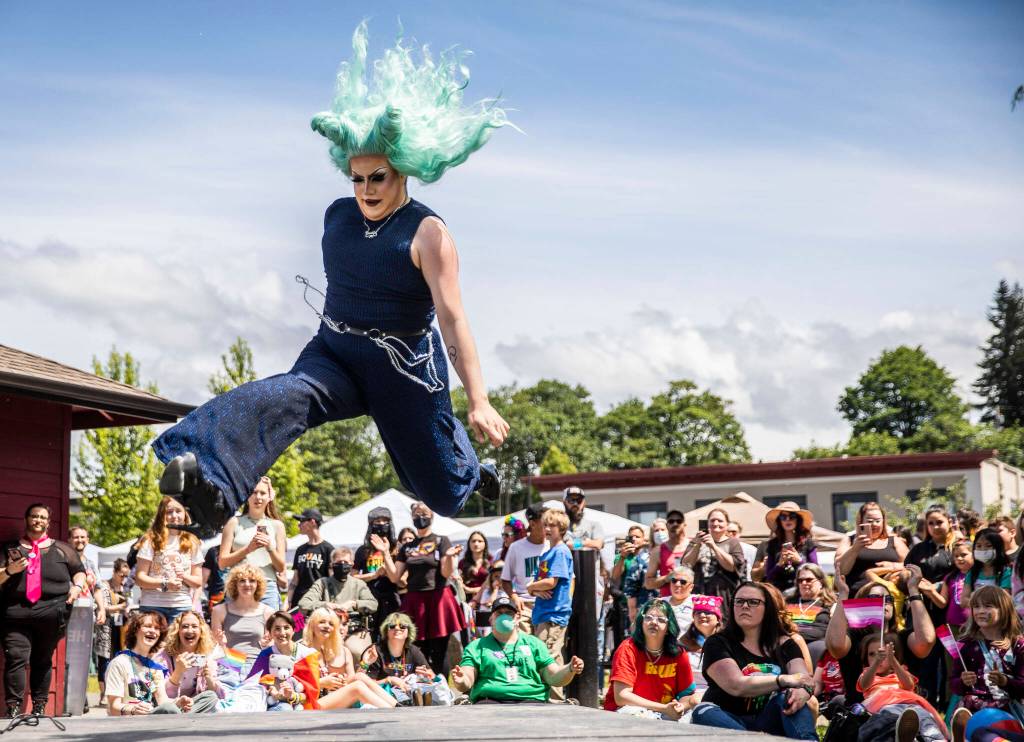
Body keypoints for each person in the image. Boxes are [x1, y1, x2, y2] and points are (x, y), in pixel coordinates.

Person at [152, 22, 510, 537]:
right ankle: (205, 479)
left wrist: (478, 399)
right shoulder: (336, 217)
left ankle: (473, 471)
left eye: (378, 177)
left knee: (436, 490)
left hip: (404, 366)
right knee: (283, 397)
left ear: (403, 169)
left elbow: (452, 320)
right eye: (357, 177)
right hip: (336, 352)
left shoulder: (429, 234)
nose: (365, 188)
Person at [690, 581, 817, 739]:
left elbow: (803, 678)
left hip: (768, 720)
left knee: (789, 699)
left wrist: (803, 691)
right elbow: (736, 685)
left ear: (767, 608)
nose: (745, 606)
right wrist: (784, 680)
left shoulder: (785, 644)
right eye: (739, 601)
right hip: (726, 720)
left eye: (753, 602)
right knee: (703, 712)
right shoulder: (717, 642)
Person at [0, 503, 87, 717]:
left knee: (42, 658)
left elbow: (79, 572)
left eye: (42, 517)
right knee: (16, 658)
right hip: (15, 614)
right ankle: (13, 708)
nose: (38, 520)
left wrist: (77, 587)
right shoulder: (10, 548)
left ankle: (39, 706)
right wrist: (9, 570)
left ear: (48, 522)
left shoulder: (63, 548)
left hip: (52, 613)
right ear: (26, 519)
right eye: (34, 516)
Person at [374, 502, 465, 674]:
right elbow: (395, 576)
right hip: (415, 600)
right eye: (415, 514)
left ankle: (442, 691)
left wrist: (451, 557)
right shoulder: (407, 546)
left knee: (440, 651)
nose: (419, 517)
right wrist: (385, 553)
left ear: (432, 516)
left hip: (438, 599)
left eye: (423, 513)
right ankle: (421, 690)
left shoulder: (441, 541)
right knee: (417, 649)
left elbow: (445, 573)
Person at [825, 565, 936, 705]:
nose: (884, 602)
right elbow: (835, 645)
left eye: (888, 599)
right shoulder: (853, 638)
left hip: (904, 707)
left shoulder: (902, 637)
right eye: (875, 597)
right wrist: (842, 595)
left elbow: (926, 641)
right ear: (863, 603)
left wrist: (913, 590)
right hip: (862, 712)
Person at [452, 596, 584, 704]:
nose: (504, 617)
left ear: (517, 618)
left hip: (532, 700)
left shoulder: (534, 643)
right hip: (490, 701)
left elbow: (553, 677)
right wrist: (462, 680)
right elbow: (467, 678)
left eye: (509, 613)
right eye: (499, 613)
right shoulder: (476, 646)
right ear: (491, 619)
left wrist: (569, 669)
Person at [105, 610, 217, 716]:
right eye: (148, 626)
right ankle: (183, 720)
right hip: (130, 721)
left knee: (210, 697)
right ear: (135, 630)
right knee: (169, 709)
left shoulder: (155, 667)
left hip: (153, 718)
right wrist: (133, 709)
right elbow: (113, 707)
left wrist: (178, 702)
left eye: (157, 628)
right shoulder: (120, 662)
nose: (152, 631)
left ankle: (181, 719)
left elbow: (162, 701)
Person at [604, 598, 696, 719]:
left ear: (669, 627)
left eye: (661, 619)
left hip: (665, 712)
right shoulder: (628, 648)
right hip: (627, 712)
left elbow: (686, 694)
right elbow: (622, 697)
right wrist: (663, 708)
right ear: (641, 622)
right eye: (648, 618)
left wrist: (680, 707)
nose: (653, 622)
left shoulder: (678, 653)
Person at [906, 505, 959, 710]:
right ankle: (925, 705)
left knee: (950, 661)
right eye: (931, 523)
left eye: (939, 522)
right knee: (926, 660)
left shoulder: (956, 548)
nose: (935, 527)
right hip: (923, 612)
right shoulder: (919, 550)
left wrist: (934, 587)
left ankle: (949, 706)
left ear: (949, 523)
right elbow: (906, 576)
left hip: (949, 613)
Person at [857, 633, 948, 742]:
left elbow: (909, 685)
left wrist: (894, 662)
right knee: (895, 721)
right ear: (866, 657)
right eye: (871, 654)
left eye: (883, 654)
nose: (878, 657)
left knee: (923, 716)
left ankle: (936, 739)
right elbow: (864, 685)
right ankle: (908, 737)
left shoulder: (900, 671)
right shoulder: (868, 673)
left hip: (910, 705)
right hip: (884, 708)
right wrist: (876, 663)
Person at [301, 606, 397, 709]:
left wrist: (365, 663)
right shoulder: (301, 651)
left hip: (326, 699)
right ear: (312, 624)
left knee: (359, 677)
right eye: (322, 622)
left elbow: (351, 680)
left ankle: (397, 706)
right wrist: (322, 682)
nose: (327, 626)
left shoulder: (325, 651)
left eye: (331, 624)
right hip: (309, 704)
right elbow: (294, 685)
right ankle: (392, 714)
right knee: (357, 687)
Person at [951, 585, 1024, 715]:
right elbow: (953, 683)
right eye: (976, 606)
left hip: (1007, 710)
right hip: (971, 708)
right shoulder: (965, 644)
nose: (981, 611)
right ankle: (963, 730)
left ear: (1004, 610)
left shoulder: (1018, 645)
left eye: (988, 606)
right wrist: (963, 681)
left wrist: (1005, 682)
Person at [219, 477, 287, 610]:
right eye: (254, 492)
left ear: (270, 497)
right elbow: (222, 562)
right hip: (238, 585)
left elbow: (280, 567)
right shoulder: (233, 522)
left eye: (262, 493)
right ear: (246, 496)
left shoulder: (277, 526)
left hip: (267, 587)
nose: (258, 497)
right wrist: (247, 549)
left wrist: (270, 547)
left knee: (269, 630)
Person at [527, 509, 575, 701]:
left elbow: (551, 582)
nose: (547, 528)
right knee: (548, 656)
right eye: (545, 524)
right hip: (544, 613)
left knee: (549, 658)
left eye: (552, 525)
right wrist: (535, 590)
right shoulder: (550, 552)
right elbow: (543, 585)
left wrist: (530, 587)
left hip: (553, 615)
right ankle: (551, 698)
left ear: (562, 528)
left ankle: (554, 700)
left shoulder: (561, 552)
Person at [134, 496, 204, 624]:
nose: (174, 515)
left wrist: (184, 576)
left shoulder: (193, 541)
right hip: (152, 605)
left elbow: (198, 582)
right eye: (169, 512)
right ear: (162, 515)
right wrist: (165, 584)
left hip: (181, 606)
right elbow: (139, 578)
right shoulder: (151, 540)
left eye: (178, 511)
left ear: (185, 514)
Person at [362, 611, 434, 705]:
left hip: (408, 691)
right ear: (386, 631)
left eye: (402, 626)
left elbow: (432, 676)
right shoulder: (375, 651)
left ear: (408, 632)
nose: (397, 628)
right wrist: (388, 680)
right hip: (382, 696)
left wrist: (427, 676)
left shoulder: (413, 651)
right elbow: (365, 684)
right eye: (392, 626)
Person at [836, 501, 909, 593]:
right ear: (861, 521)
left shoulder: (894, 540)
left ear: (883, 522)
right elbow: (841, 570)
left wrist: (893, 566)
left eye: (878, 521)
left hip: (890, 597)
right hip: (857, 597)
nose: (874, 524)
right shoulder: (849, 540)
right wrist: (855, 548)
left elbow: (911, 564)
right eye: (869, 521)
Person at [211, 564, 274, 670]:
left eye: (252, 580)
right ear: (235, 584)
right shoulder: (219, 610)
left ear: (258, 585)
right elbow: (214, 645)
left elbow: (272, 646)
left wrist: (267, 645)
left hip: (257, 666)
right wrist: (221, 643)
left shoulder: (268, 612)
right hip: (228, 666)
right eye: (242, 581)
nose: (247, 584)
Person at [501, 502, 548, 633]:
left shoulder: (554, 546)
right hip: (524, 606)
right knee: (523, 648)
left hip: (548, 605)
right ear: (532, 524)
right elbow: (505, 580)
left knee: (544, 650)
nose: (549, 526)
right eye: (545, 522)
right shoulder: (516, 548)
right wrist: (514, 597)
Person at [158, 610, 224, 703]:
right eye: (185, 626)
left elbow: (220, 697)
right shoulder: (165, 656)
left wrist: (209, 679)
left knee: (211, 696)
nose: (190, 630)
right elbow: (162, 696)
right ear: (178, 631)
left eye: (194, 626)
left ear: (201, 631)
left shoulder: (207, 655)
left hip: (196, 705)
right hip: (173, 705)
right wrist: (178, 672)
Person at [354, 506, 401, 634]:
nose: (381, 524)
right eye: (377, 521)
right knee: (372, 636)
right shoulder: (363, 550)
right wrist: (374, 575)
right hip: (370, 600)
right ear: (370, 525)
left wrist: (389, 567)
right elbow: (352, 578)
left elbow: (400, 578)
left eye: (384, 521)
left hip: (393, 600)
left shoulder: (398, 548)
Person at [682, 507, 746, 600]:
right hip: (699, 597)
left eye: (720, 521)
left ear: (727, 524)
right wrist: (697, 545)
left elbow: (732, 567)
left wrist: (714, 546)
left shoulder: (733, 543)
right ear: (708, 523)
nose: (716, 523)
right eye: (712, 520)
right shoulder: (695, 542)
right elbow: (686, 565)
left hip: (724, 598)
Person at [297, 546, 378, 620]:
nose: (342, 565)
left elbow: (373, 604)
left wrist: (354, 604)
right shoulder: (322, 583)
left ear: (352, 564)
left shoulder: (359, 584)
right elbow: (303, 604)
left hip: (353, 628)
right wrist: (326, 605)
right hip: (328, 625)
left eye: (345, 562)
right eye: (339, 562)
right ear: (332, 565)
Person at [758, 502, 817, 595]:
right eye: (783, 517)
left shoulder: (808, 543)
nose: (787, 519)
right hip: (779, 594)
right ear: (779, 521)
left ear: (798, 519)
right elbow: (769, 577)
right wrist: (780, 564)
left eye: (792, 516)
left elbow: (816, 572)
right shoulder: (772, 544)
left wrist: (799, 561)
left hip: (802, 593)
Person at [95, 558, 132, 705]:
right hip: (106, 627)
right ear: (114, 572)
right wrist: (120, 607)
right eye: (121, 575)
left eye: (126, 575)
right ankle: (103, 694)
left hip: (122, 627)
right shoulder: (105, 586)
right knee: (104, 660)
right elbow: (102, 607)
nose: (123, 578)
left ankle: (118, 693)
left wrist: (127, 609)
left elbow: (129, 606)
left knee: (120, 658)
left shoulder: (126, 588)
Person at [784, 563, 835, 667]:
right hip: (788, 641)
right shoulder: (787, 602)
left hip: (816, 644)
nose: (804, 583)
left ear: (820, 582)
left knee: (818, 648)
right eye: (800, 580)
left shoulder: (829, 604)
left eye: (809, 580)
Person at [679, 594, 724, 699]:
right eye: (698, 612)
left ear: (718, 619)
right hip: (686, 695)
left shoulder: (728, 642)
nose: (702, 615)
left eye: (708, 612)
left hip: (718, 695)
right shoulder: (682, 643)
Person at [289, 508, 333, 610]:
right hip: (298, 603)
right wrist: (288, 601)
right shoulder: (300, 550)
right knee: (297, 626)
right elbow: (295, 580)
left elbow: (332, 580)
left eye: (301, 521)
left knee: (316, 626)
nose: (299, 525)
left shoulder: (328, 549)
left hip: (319, 603)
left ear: (312, 522)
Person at [616, 524, 656, 631]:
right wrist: (622, 557)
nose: (634, 539)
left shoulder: (650, 556)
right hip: (626, 605)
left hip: (647, 603)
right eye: (631, 537)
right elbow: (615, 576)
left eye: (637, 537)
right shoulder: (622, 556)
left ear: (644, 540)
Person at [961, 528, 1013, 608]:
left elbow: (1004, 600)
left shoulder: (1005, 572)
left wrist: (976, 602)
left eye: (988, 546)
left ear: (998, 548)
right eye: (978, 546)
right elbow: (963, 601)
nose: (983, 549)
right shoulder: (972, 573)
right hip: (977, 618)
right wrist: (985, 605)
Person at [645, 511, 689, 598]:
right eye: (671, 521)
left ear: (684, 524)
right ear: (667, 525)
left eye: (679, 521)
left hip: (693, 602)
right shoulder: (658, 551)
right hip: (669, 603)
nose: (675, 524)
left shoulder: (693, 546)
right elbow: (648, 583)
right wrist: (666, 578)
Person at [662, 565, 696, 636]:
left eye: (683, 582)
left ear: (691, 587)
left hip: (689, 644)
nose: (677, 584)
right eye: (674, 581)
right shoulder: (660, 602)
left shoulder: (698, 602)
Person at [458, 530, 492, 600]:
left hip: (486, 599)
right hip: (467, 600)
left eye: (480, 541)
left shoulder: (491, 561)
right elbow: (458, 582)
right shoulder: (462, 562)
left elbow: (494, 583)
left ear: (485, 543)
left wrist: (470, 590)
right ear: (469, 544)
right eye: (473, 541)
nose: (476, 544)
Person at [202, 544, 227, 618]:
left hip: (238, 597)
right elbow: (203, 579)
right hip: (217, 597)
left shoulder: (244, 550)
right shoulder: (213, 551)